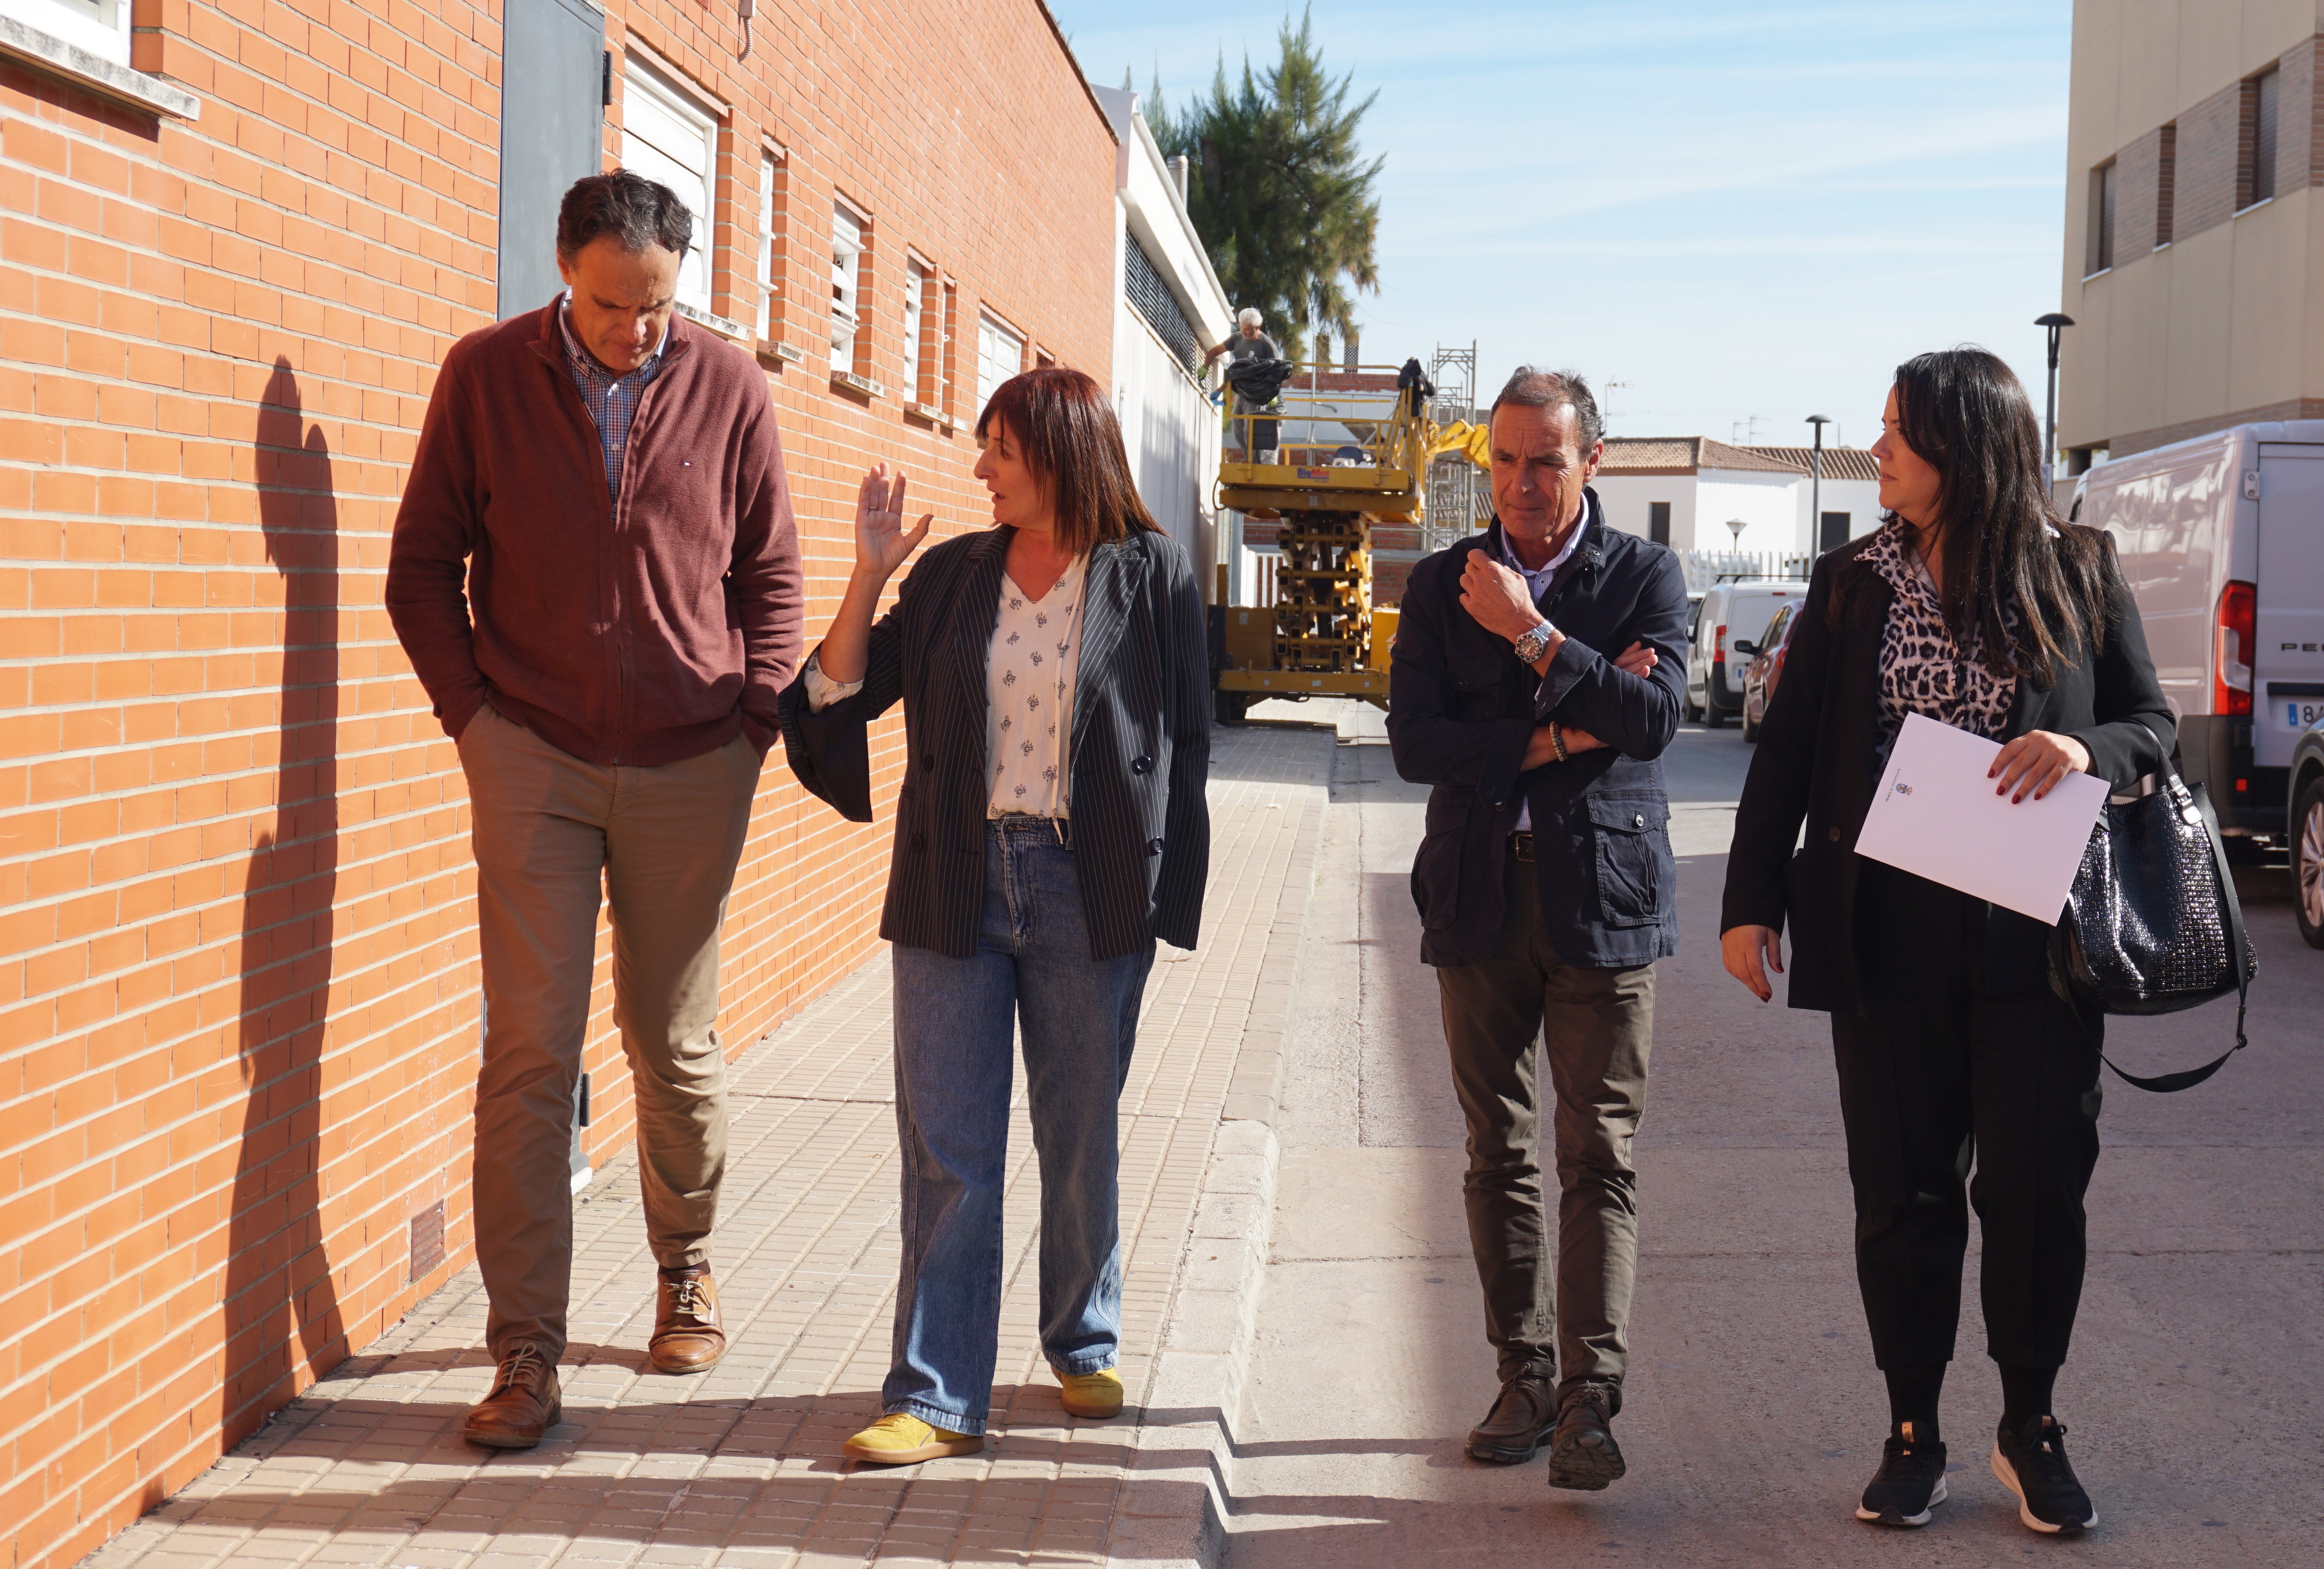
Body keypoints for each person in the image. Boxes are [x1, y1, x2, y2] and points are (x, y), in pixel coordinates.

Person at [1719, 348, 2172, 1536]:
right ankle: (1911, 1430)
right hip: (1882, 932)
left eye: (1897, 434)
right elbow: (1786, 753)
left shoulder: (2078, 570)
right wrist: (1748, 901)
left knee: (2035, 1189)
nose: (1877, 451)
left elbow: (2151, 721)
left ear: (1962, 451)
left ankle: (2031, 1425)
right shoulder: (1848, 582)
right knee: (1904, 1193)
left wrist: (2086, 753)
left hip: (2034, 935)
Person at [386, 170, 804, 1448]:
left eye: (661, 305)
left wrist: (754, 723)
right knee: (529, 1053)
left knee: (671, 1041)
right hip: (536, 758)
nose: (639, 330)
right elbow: (419, 569)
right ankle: (525, 1350)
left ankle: (685, 1263)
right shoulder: (485, 374)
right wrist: (478, 721)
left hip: (694, 764)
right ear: (565, 270)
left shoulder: (729, 385)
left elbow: (773, 572)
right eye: (616, 303)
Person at [781, 366, 1211, 1464]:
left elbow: (1189, 745)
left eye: (999, 452)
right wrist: (868, 576)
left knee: (1078, 1135)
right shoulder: (948, 575)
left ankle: (1081, 1335)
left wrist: (1165, 901)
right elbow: (839, 690)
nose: (979, 469)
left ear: (1063, 453)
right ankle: (932, 1395)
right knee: (948, 1149)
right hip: (953, 882)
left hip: (1086, 886)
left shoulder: (1150, 575)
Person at [1387, 367, 1689, 1490]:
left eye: (1544, 461)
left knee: (1595, 1154)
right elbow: (1415, 741)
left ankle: (1587, 1403)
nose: (1518, 483)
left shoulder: (1646, 577)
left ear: (1590, 462)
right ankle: (1519, 1375)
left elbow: (1655, 721)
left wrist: (1534, 638)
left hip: (1601, 901)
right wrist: (1568, 729)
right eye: (1503, 460)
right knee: (1495, 1151)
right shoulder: (1437, 585)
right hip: (1475, 897)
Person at [1204, 307, 1282, 458]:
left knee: (1250, 429)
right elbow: (1220, 357)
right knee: (1237, 428)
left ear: (1257, 328)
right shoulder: (1237, 338)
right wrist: (1205, 367)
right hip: (1242, 391)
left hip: (1258, 392)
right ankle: (1250, 460)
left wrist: (1274, 393)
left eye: (1247, 330)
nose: (1243, 332)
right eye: (1241, 328)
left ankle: (1254, 464)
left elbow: (1278, 369)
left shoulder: (1267, 345)